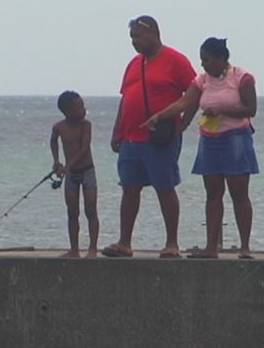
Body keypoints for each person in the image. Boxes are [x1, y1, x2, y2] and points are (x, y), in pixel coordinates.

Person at [142, 37, 258, 259]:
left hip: (235, 137)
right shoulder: (202, 81)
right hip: (210, 139)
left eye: (207, 60)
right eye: (202, 60)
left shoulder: (241, 77)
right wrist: (162, 117)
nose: (204, 65)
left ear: (221, 58)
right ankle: (211, 247)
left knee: (239, 193)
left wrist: (223, 110)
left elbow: (250, 109)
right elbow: (186, 104)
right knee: (213, 194)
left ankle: (244, 247)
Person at [102, 15, 196, 259]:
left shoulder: (175, 60)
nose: (134, 42)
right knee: (129, 188)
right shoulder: (134, 64)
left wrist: (183, 122)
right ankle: (124, 242)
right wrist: (117, 131)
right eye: (132, 37)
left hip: (159, 137)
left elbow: (195, 91)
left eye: (138, 37)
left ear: (153, 33)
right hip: (131, 138)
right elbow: (126, 98)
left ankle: (172, 243)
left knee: (164, 187)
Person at [50, 91, 100, 258]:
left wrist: (67, 166)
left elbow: (84, 148)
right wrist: (56, 162)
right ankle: (74, 249)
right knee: (72, 212)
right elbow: (53, 141)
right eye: (79, 108)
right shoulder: (59, 127)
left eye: (83, 106)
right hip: (71, 175)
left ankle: (92, 248)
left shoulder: (86, 125)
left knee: (90, 209)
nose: (83, 110)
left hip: (87, 171)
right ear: (67, 111)